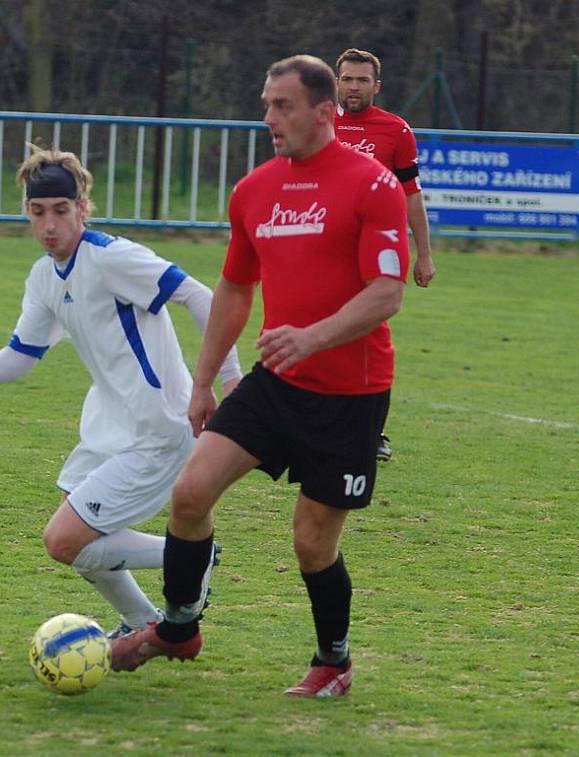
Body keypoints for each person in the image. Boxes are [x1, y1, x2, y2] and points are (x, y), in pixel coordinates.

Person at [110, 55, 410, 698]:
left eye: (283, 106)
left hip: (349, 395)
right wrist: (202, 380)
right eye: (267, 104)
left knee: (310, 544)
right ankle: (180, 627)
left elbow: (387, 293)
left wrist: (311, 335)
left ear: (325, 112)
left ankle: (334, 662)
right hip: (276, 382)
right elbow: (235, 286)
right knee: (190, 494)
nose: (269, 117)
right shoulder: (254, 190)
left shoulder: (372, 184)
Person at [0, 146, 242, 638]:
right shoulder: (44, 276)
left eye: (61, 211)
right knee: (81, 521)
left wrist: (224, 380)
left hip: (159, 428)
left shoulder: (113, 258)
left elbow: (200, 296)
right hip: (112, 427)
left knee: (64, 540)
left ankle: (193, 553)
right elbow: (23, 354)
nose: (50, 224)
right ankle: (142, 621)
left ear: (83, 208)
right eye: (37, 212)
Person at [334, 47, 436, 462]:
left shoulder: (395, 130)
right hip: (324, 252)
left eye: (362, 80)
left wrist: (424, 254)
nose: (354, 87)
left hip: (374, 254)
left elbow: (412, 195)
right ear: (335, 82)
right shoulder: (317, 122)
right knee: (314, 334)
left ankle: (372, 432)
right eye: (347, 79)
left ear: (376, 86)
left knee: (368, 338)